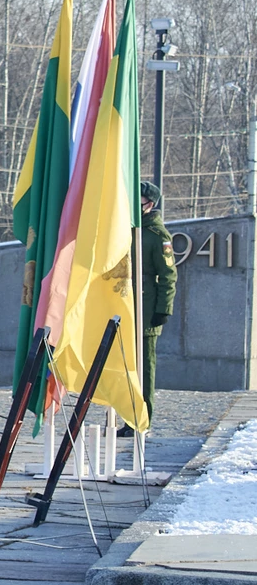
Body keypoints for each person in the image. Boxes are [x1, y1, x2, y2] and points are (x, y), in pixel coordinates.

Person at [131, 181, 177, 436]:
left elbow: (168, 275)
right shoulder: (127, 228)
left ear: (149, 204)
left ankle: (143, 419)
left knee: (144, 368)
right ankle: (127, 416)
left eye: (139, 201)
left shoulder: (158, 235)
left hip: (146, 309)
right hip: (124, 304)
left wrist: (163, 310)